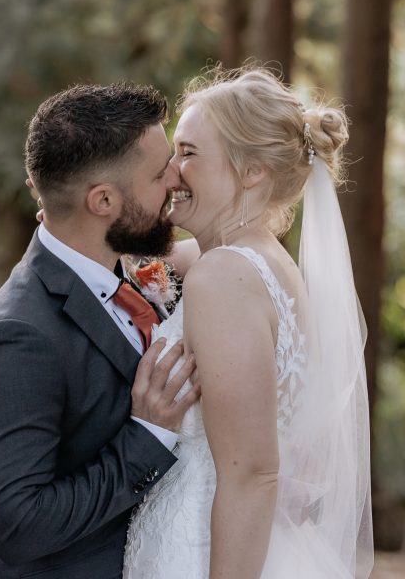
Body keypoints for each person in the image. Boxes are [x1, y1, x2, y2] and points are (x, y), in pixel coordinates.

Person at [122, 67, 374, 578]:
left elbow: (253, 474)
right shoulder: (261, 262)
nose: (171, 171)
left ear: (252, 171)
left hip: (212, 552)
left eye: (188, 153)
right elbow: (156, 256)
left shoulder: (223, 275)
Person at [0, 82, 200, 579]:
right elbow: (18, 526)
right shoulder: (18, 334)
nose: (177, 178)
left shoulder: (122, 268)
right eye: (160, 173)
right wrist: (148, 435)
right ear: (103, 200)